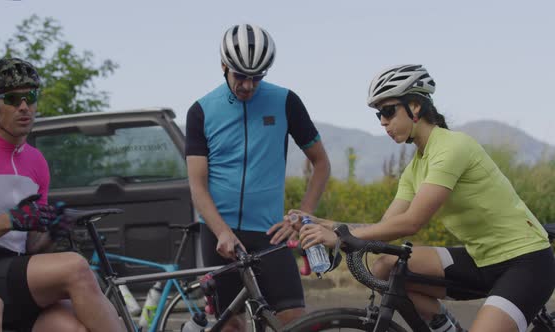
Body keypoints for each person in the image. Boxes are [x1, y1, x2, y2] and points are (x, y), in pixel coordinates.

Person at [295, 64, 555, 332]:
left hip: (525, 262)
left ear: (415, 107)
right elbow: (385, 227)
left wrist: (339, 236)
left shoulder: (452, 147)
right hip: (482, 258)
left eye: (388, 111)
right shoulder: (416, 167)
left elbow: (412, 222)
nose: (383, 121)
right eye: (379, 115)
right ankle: (445, 326)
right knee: (386, 266)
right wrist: (327, 224)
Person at [186, 23, 331, 331]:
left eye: (257, 77)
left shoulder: (285, 101)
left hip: (269, 232)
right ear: (224, 65)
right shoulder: (201, 110)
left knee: (294, 321)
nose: (248, 85)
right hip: (219, 233)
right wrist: (222, 231)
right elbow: (197, 185)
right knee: (231, 325)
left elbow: (321, 163)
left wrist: (302, 216)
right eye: (241, 75)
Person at [0, 58, 125, 332]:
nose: (24, 106)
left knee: (75, 327)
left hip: (14, 270)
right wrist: (10, 220)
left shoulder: (37, 162)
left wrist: (51, 232)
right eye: (13, 99)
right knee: (75, 268)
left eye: (31, 97)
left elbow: (30, 248)